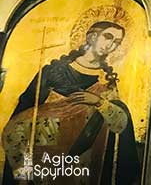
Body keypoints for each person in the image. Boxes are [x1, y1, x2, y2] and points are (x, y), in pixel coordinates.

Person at [2, 21, 140, 185]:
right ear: (92, 37)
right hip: (46, 158)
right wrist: (23, 172)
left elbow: (119, 124)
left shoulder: (106, 81)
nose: (110, 45)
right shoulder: (52, 72)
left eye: (116, 42)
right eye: (107, 37)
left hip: (83, 163)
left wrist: (98, 102)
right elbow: (19, 121)